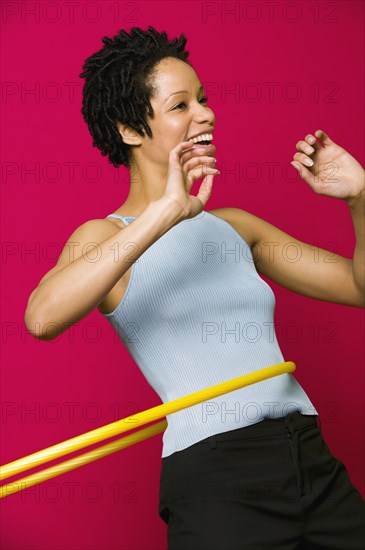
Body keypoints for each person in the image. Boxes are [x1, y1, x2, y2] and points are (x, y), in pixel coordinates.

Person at [25, 25, 365, 550]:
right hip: (217, 477)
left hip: (310, 457)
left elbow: (358, 287)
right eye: (181, 105)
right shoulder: (107, 237)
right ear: (130, 129)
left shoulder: (235, 227)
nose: (206, 114)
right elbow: (42, 318)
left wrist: (359, 199)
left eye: (203, 99)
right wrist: (163, 213)